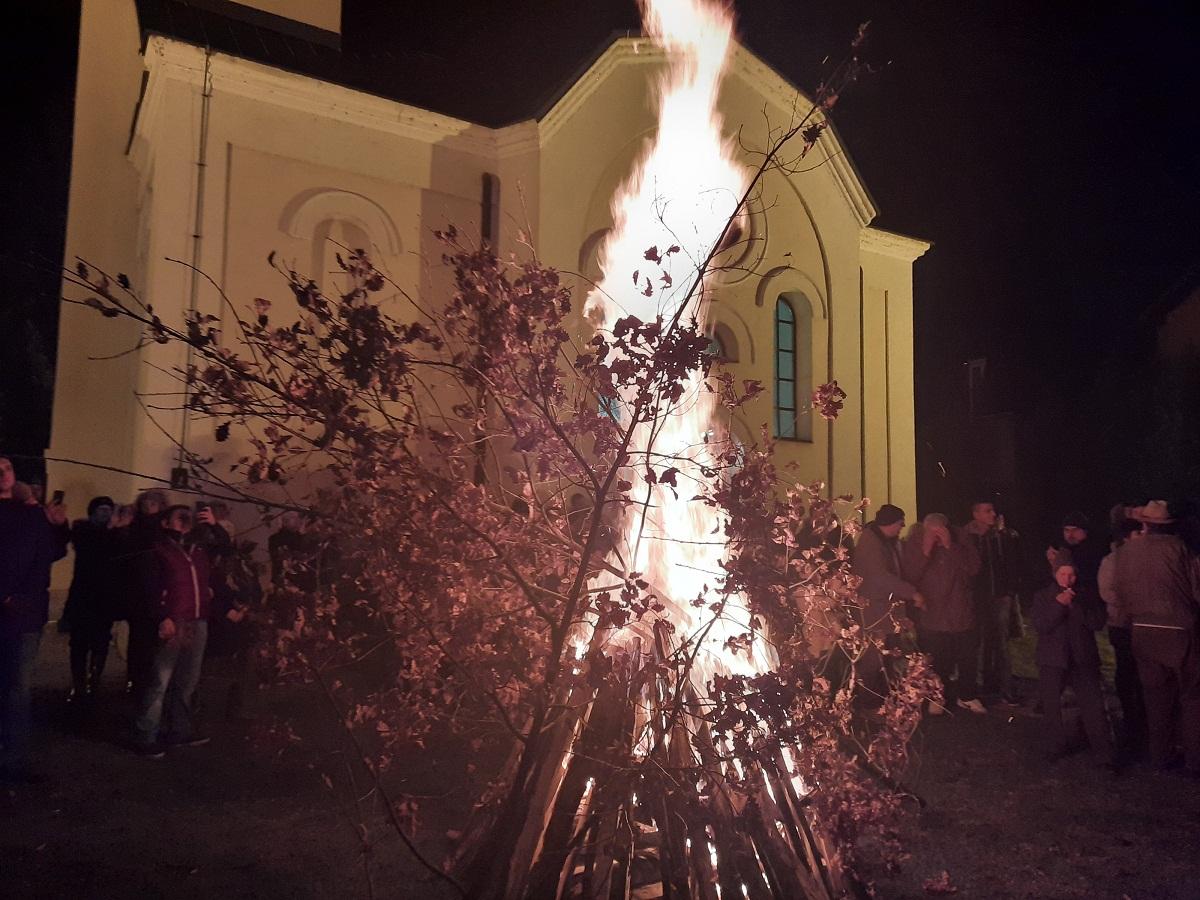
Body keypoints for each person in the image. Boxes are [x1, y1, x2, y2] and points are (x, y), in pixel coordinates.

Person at [1112, 501, 1200, 775]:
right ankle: (1195, 761)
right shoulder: (1180, 550)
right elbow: (1197, 591)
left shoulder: (1125, 552)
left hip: (1142, 631)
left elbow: (1120, 592)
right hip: (1179, 631)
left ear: (1145, 524)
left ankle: (1160, 758)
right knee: (1192, 696)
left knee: (1155, 698)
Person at [0, 457, 69, 781]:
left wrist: (58, 525)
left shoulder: (31, 514)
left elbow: (51, 553)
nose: (3, 474)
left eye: (7, 468)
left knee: (18, 689)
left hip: (25, 617)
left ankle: (13, 761)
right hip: (8, 607)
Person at [132, 505, 214, 757]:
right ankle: (146, 736)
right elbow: (150, 587)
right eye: (179, 517)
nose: (185, 521)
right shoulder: (159, 549)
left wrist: (214, 525)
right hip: (175, 621)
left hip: (197, 620)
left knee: (187, 680)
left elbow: (225, 547)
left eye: (187, 517)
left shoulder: (197, 549)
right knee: (161, 680)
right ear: (165, 523)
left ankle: (179, 731)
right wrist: (162, 616)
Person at [1031, 560, 1114, 767]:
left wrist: (1076, 606)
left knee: (1093, 706)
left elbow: (1097, 622)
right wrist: (1059, 605)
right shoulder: (1043, 596)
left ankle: (1104, 753)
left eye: (1071, 575)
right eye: (1062, 574)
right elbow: (1042, 625)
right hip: (1053, 660)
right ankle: (1054, 746)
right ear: (1055, 574)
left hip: (1082, 659)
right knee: (1052, 706)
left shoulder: (1086, 596)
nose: (1067, 580)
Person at [904, 512, 984, 715]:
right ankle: (936, 697)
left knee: (967, 657)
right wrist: (926, 550)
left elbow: (973, 569)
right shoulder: (916, 542)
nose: (937, 535)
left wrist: (950, 546)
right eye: (932, 532)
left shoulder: (961, 540)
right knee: (937, 658)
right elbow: (910, 574)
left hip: (960, 612)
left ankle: (967, 696)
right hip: (933, 613)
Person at [61, 496, 121, 705]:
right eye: (101, 509)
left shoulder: (114, 535)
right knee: (79, 643)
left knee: (100, 642)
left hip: (104, 599)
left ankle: (93, 682)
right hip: (83, 596)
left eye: (108, 510)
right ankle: (79, 685)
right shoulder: (83, 530)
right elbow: (90, 550)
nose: (105, 514)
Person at [962, 500, 1022, 703]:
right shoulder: (967, 537)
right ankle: (984, 683)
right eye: (988, 511)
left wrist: (1010, 590)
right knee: (980, 641)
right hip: (978, 597)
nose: (993, 514)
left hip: (999, 595)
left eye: (993, 510)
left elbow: (1011, 562)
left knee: (1001, 642)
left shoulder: (1001, 536)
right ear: (976, 513)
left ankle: (1005, 689)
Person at [1097, 516, 1148, 757]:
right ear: (1128, 537)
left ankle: (1144, 719)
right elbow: (1107, 591)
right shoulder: (1112, 560)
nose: (1144, 537)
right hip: (1122, 623)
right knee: (1126, 670)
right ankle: (1130, 720)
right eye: (1139, 533)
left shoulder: (1145, 558)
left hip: (1143, 624)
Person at [114, 489, 168, 695]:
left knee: (155, 643)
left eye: (154, 503)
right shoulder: (135, 528)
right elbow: (123, 555)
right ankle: (136, 681)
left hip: (157, 591)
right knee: (139, 641)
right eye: (147, 502)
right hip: (138, 593)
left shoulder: (163, 529)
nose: (150, 506)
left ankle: (148, 682)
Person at [850, 504, 924, 630]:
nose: (903, 527)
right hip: (876, 609)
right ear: (891, 522)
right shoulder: (872, 544)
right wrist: (911, 592)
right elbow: (881, 577)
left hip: (880, 607)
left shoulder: (882, 542)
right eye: (901, 523)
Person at [1047, 511, 1103, 590]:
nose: (1070, 535)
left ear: (1085, 531)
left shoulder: (1093, 551)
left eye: (1075, 530)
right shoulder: (1063, 549)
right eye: (1066, 530)